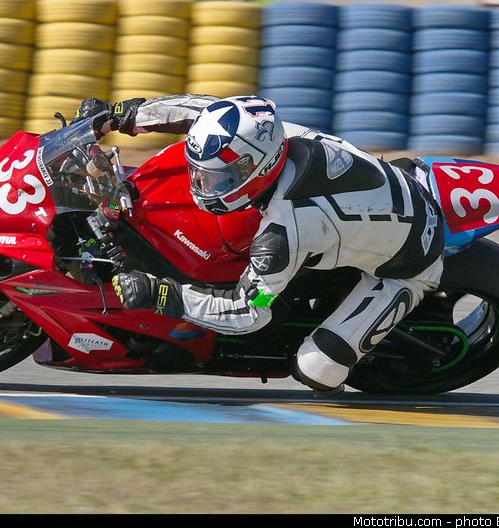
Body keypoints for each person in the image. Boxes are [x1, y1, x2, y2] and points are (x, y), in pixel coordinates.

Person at [76, 94, 444, 397]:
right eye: (200, 171)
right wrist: (121, 115)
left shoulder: (283, 233)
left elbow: (248, 313)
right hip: (385, 196)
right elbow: (201, 112)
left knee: (317, 371)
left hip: (407, 263)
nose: (202, 183)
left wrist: (163, 296)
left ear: (259, 169)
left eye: (219, 178)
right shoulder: (270, 133)